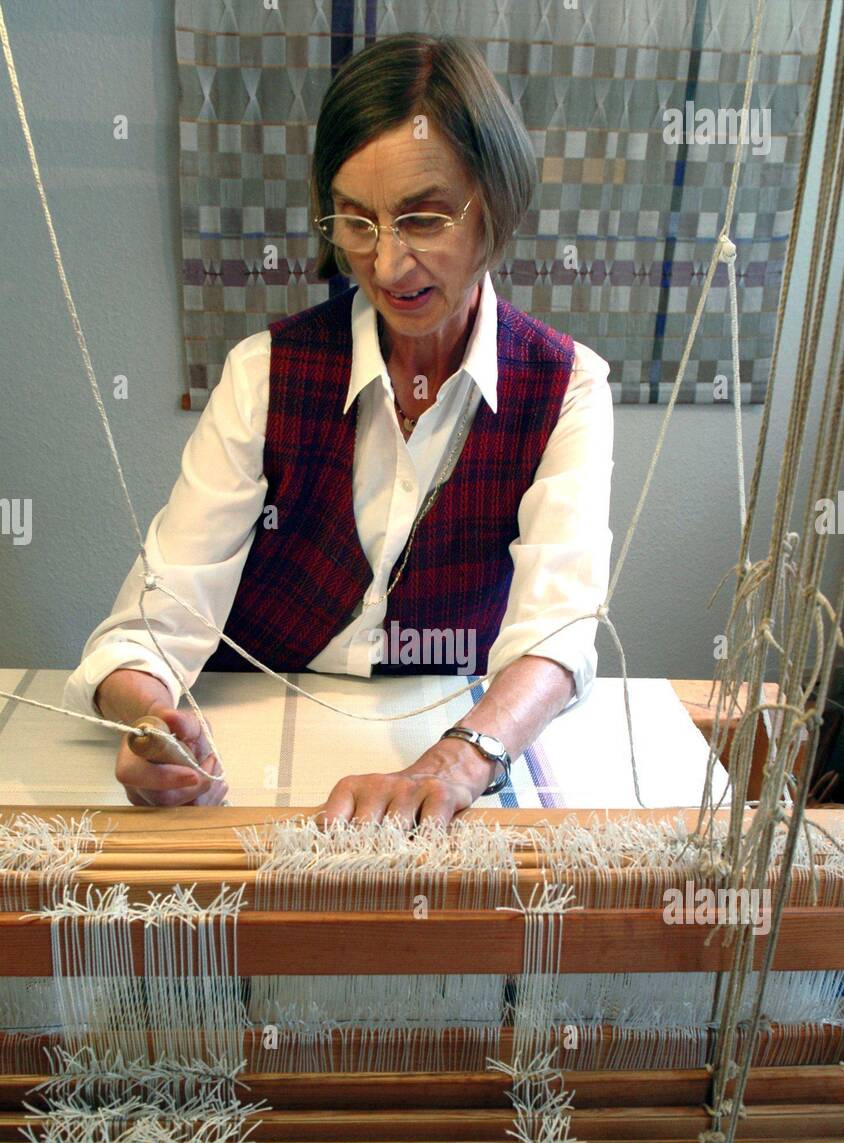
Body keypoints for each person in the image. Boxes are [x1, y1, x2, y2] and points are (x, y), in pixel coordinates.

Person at [63, 33, 614, 826]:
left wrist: (462, 761)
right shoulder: (265, 373)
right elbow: (155, 621)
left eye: (422, 219)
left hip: (446, 722)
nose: (387, 265)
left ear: (493, 204)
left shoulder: (566, 386)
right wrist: (153, 722)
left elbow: (559, 632)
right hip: (248, 736)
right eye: (357, 223)